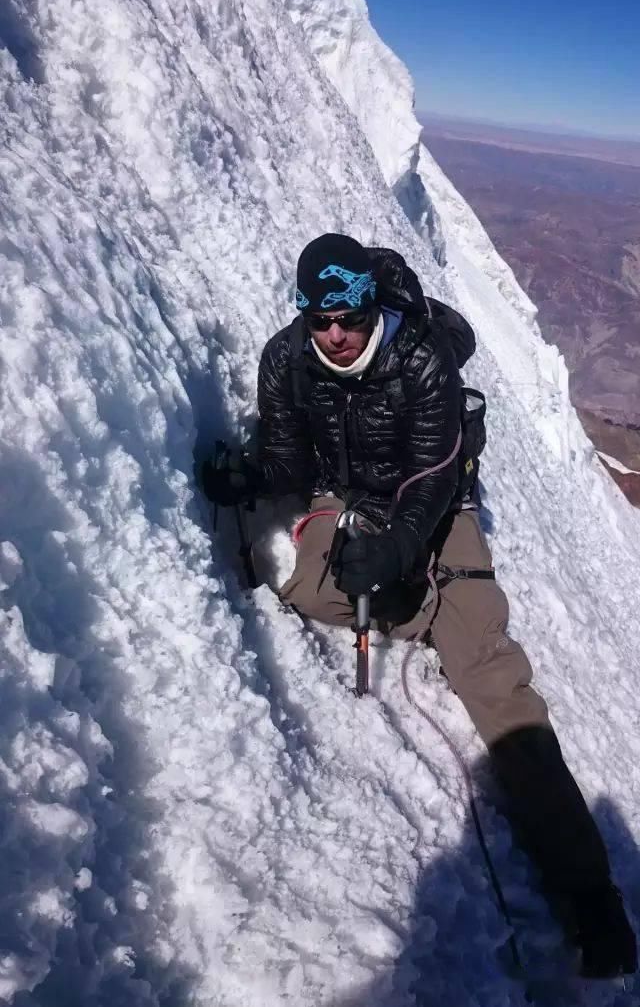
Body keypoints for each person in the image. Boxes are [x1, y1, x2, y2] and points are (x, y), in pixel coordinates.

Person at [204, 232, 637, 978]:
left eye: (348, 316)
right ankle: (426, 611)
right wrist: (251, 478)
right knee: (311, 590)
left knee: (495, 683)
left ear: (371, 306)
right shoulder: (287, 361)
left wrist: (401, 555)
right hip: (348, 500)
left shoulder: (422, 361)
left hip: (432, 512)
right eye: (319, 317)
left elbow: (433, 479)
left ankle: (591, 900)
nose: (334, 333)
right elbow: (289, 456)